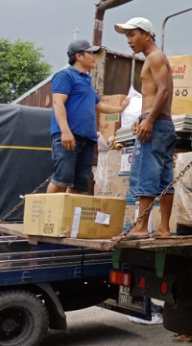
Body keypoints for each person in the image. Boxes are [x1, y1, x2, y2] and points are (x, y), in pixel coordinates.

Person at [114, 17, 176, 239]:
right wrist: (143, 117)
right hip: (163, 123)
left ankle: (141, 228)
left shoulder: (155, 57)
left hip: (157, 123)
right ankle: (164, 228)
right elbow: (158, 94)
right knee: (164, 178)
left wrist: (149, 120)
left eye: (132, 35)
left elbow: (164, 91)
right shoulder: (156, 58)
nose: (129, 41)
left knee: (145, 174)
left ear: (147, 35)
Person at [48, 40, 129, 195]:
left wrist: (120, 108)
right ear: (78, 56)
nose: (93, 57)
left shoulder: (86, 81)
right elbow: (58, 103)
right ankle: (47, 218)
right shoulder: (65, 76)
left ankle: (67, 218)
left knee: (79, 185)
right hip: (69, 136)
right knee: (61, 180)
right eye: (90, 53)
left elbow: (99, 105)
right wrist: (65, 131)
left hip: (87, 139)